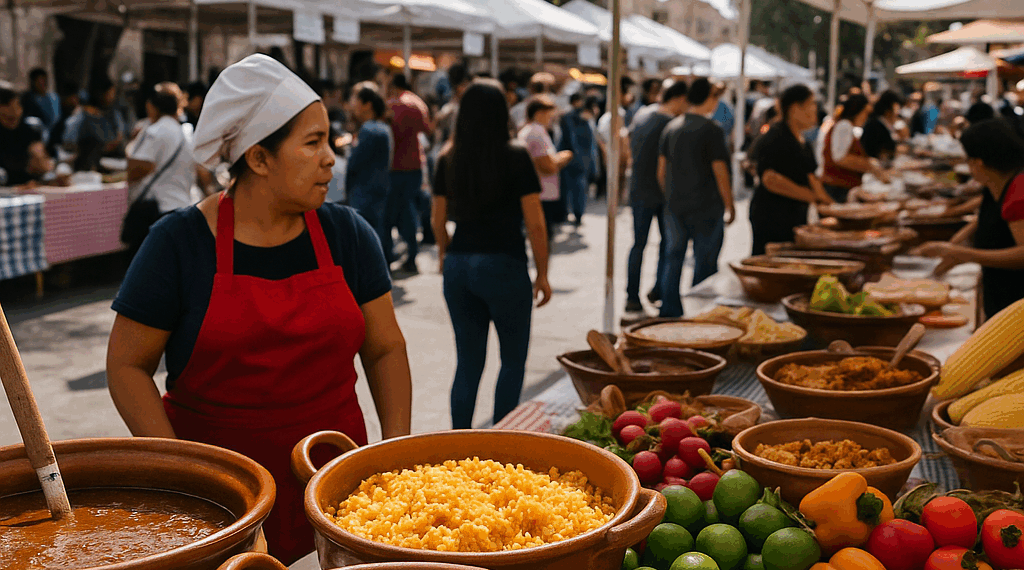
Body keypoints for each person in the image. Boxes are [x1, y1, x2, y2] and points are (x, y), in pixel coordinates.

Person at [105, 54, 412, 565]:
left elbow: (385, 348)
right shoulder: (179, 243)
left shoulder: (347, 235)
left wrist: (394, 458)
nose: (331, 158)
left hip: (338, 482)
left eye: (329, 141)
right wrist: (182, 472)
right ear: (259, 158)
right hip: (222, 498)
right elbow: (126, 365)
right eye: (312, 143)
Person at [431, 79, 552, 429]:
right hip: (504, 262)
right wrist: (542, 272)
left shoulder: (447, 157)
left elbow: (438, 219)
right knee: (512, 361)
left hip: (460, 263)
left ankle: (457, 442)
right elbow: (536, 223)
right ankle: (499, 438)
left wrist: (444, 253)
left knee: (468, 362)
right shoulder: (515, 154)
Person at [915, 119, 1024, 319]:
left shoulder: (1018, 190)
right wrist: (953, 246)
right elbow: (987, 219)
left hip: (1016, 307)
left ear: (978, 162)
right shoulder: (997, 184)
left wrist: (964, 254)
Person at [656, 78, 735, 318]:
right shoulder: (712, 130)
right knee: (705, 264)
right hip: (706, 207)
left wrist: (669, 195)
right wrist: (729, 205)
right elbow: (720, 170)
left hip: (676, 205)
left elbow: (661, 171)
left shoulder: (672, 126)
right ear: (709, 97)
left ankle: (669, 310)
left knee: (674, 257)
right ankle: (700, 314)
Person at [625, 80, 689, 313]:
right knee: (668, 245)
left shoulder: (642, 115)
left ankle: (632, 296)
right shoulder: (672, 124)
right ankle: (660, 288)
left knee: (638, 245)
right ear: (680, 98)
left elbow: (627, 141)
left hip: (638, 190)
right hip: (663, 194)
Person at [748, 84, 834, 256]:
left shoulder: (803, 142)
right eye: (811, 103)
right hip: (772, 217)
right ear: (795, 108)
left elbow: (811, 178)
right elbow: (770, 180)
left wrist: (831, 206)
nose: (815, 109)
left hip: (793, 217)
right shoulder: (776, 137)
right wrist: (812, 197)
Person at [123, 82, 198, 257]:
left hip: (156, 211)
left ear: (151, 106)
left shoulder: (154, 131)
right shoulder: (186, 133)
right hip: (182, 207)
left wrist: (133, 143)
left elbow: (137, 169)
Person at [384, 73, 430, 273]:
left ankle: (388, 255)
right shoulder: (418, 103)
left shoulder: (393, 104)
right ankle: (411, 253)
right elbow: (427, 130)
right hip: (415, 164)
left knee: (389, 214)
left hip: (395, 166)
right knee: (409, 209)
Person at [518, 95, 573, 241]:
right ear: (539, 113)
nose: (551, 119)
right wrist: (563, 158)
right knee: (542, 237)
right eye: (549, 115)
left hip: (537, 191)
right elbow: (547, 166)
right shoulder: (537, 132)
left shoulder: (528, 130)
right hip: (542, 193)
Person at [345, 81, 393, 249]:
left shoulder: (369, 130)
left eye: (355, 99)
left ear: (367, 104)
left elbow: (354, 164)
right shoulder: (382, 128)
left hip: (365, 195)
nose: (352, 104)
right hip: (378, 192)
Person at [818, 93, 888, 203]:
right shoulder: (844, 125)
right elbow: (840, 158)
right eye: (865, 113)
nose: (866, 117)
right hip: (838, 187)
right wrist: (870, 165)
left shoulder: (844, 125)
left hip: (839, 186)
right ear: (857, 111)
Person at [63, 74, 123, 170]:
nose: (113, 96)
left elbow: (118, 137)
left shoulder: (112, 114)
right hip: (84, 164)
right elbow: (68, 142)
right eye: (110, 93)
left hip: (108, 161)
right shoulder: (80, 117)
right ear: (100, 93)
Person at [0, 82, 53, 185]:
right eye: (7, 104)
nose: (15, 112)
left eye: (17, 105)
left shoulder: (30, 130)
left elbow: (43, 166)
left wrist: (43, 166)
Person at [558, 92, 598, 227]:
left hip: (572, 159)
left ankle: (571, 214)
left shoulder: (568, 117)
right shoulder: (575, 119)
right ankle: (576, 214)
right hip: (578, 159)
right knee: (577, 188)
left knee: (570, 188)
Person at [860, 90, 903, 160]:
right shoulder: (875, 126)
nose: (897, 114)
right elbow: (881, 151)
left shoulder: (881, 124)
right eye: (896, 110)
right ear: (888, 110)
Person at [21, 68, 61, 134]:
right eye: (39, 81)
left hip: (54, 133)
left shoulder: (54, 97)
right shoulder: (27, 98)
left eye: (44, 80)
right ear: (33, 82)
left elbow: (57, 117)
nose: (42, 84)